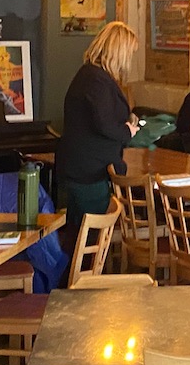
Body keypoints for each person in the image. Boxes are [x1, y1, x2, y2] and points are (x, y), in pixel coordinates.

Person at [58, 21, 139, 251]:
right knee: (88, 243)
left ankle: (71, 282)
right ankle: (83, 283)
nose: (129, 61)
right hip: (90, 173)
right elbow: (103, 124)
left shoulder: (89, 75)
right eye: (129, 54)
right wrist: (127, 131)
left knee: (75, 238)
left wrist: (125, 119)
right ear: (119, 52)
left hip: (78, 169)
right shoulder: (97, 80)